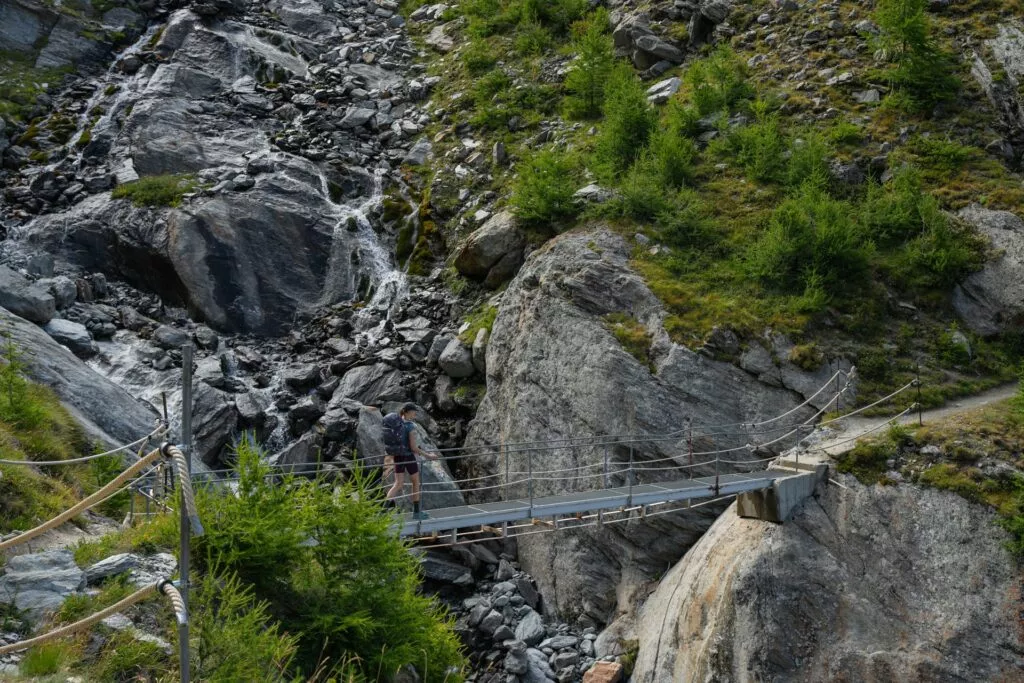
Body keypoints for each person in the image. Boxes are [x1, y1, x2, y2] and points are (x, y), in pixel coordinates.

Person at [383, 403, 438, 520]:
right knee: (416, 483)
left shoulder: (397, 424)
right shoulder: (410, 426)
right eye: (414, 411)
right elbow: (413, 448)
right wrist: (428, 455)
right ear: (407, 412)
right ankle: (417, 512)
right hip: (408, 457)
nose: (415, 414)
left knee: (398, 484)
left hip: (398, 457)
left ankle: (382, 512)